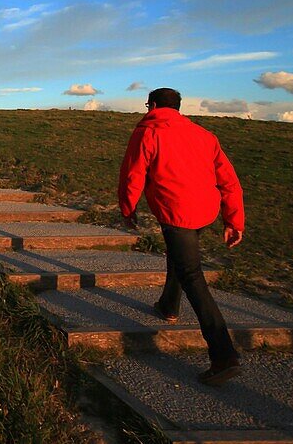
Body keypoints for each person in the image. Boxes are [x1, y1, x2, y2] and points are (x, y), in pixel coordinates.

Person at [118, 87, 245, 386]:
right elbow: (228, 179)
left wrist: (127, 207)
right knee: (181, 256)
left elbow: (133, 173)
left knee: (192, 275)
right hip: (205, 209)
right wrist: (233, 219)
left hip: (177, 211)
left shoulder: (148, 132)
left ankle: (223, 355)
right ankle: (168, 306)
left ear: (153, 105)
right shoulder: (204, 135)